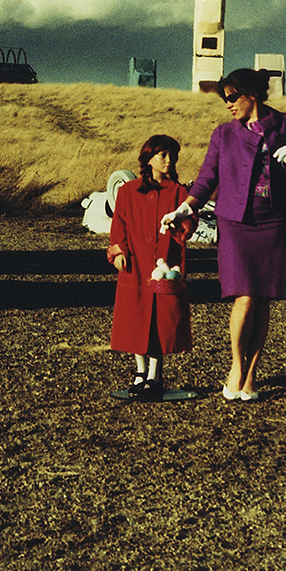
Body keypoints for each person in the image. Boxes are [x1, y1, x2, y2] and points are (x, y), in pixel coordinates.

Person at [163, 68, 286, 401]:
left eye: (231, 97)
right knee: (246, 295)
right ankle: (236, 367)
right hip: (234, 222)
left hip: (271, 220)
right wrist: (186, 208)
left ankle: (252, 374)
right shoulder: (223, 134)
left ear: (251, 94)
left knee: (264, 299)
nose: (227, 104)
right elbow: (206, 178)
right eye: (224, 99)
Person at [107, 134, 195, 399]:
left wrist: (179, 225)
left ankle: (156, 374)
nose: (168, 160)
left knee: (161, 320)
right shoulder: (127, 191)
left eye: (171, 155)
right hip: (135, 264)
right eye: (162, 155)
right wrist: (118, 252)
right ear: (149, 158)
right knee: (135, 317)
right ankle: (139, 372)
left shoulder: (179, 192)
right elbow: (118, 224)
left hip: (164, 266)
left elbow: (190, 223)